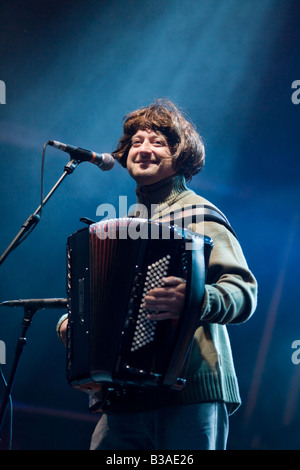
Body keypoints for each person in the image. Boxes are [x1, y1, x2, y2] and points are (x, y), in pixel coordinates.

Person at [56, 99, 257, 450]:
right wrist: (77, 327)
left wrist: (192, 300)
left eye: (157, 142)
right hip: (124, 398)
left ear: (179, 155)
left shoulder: (198, 213)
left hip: (190, 391)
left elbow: (243, 293)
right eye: (136, 143)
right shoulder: (125, 225)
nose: (144, 149)